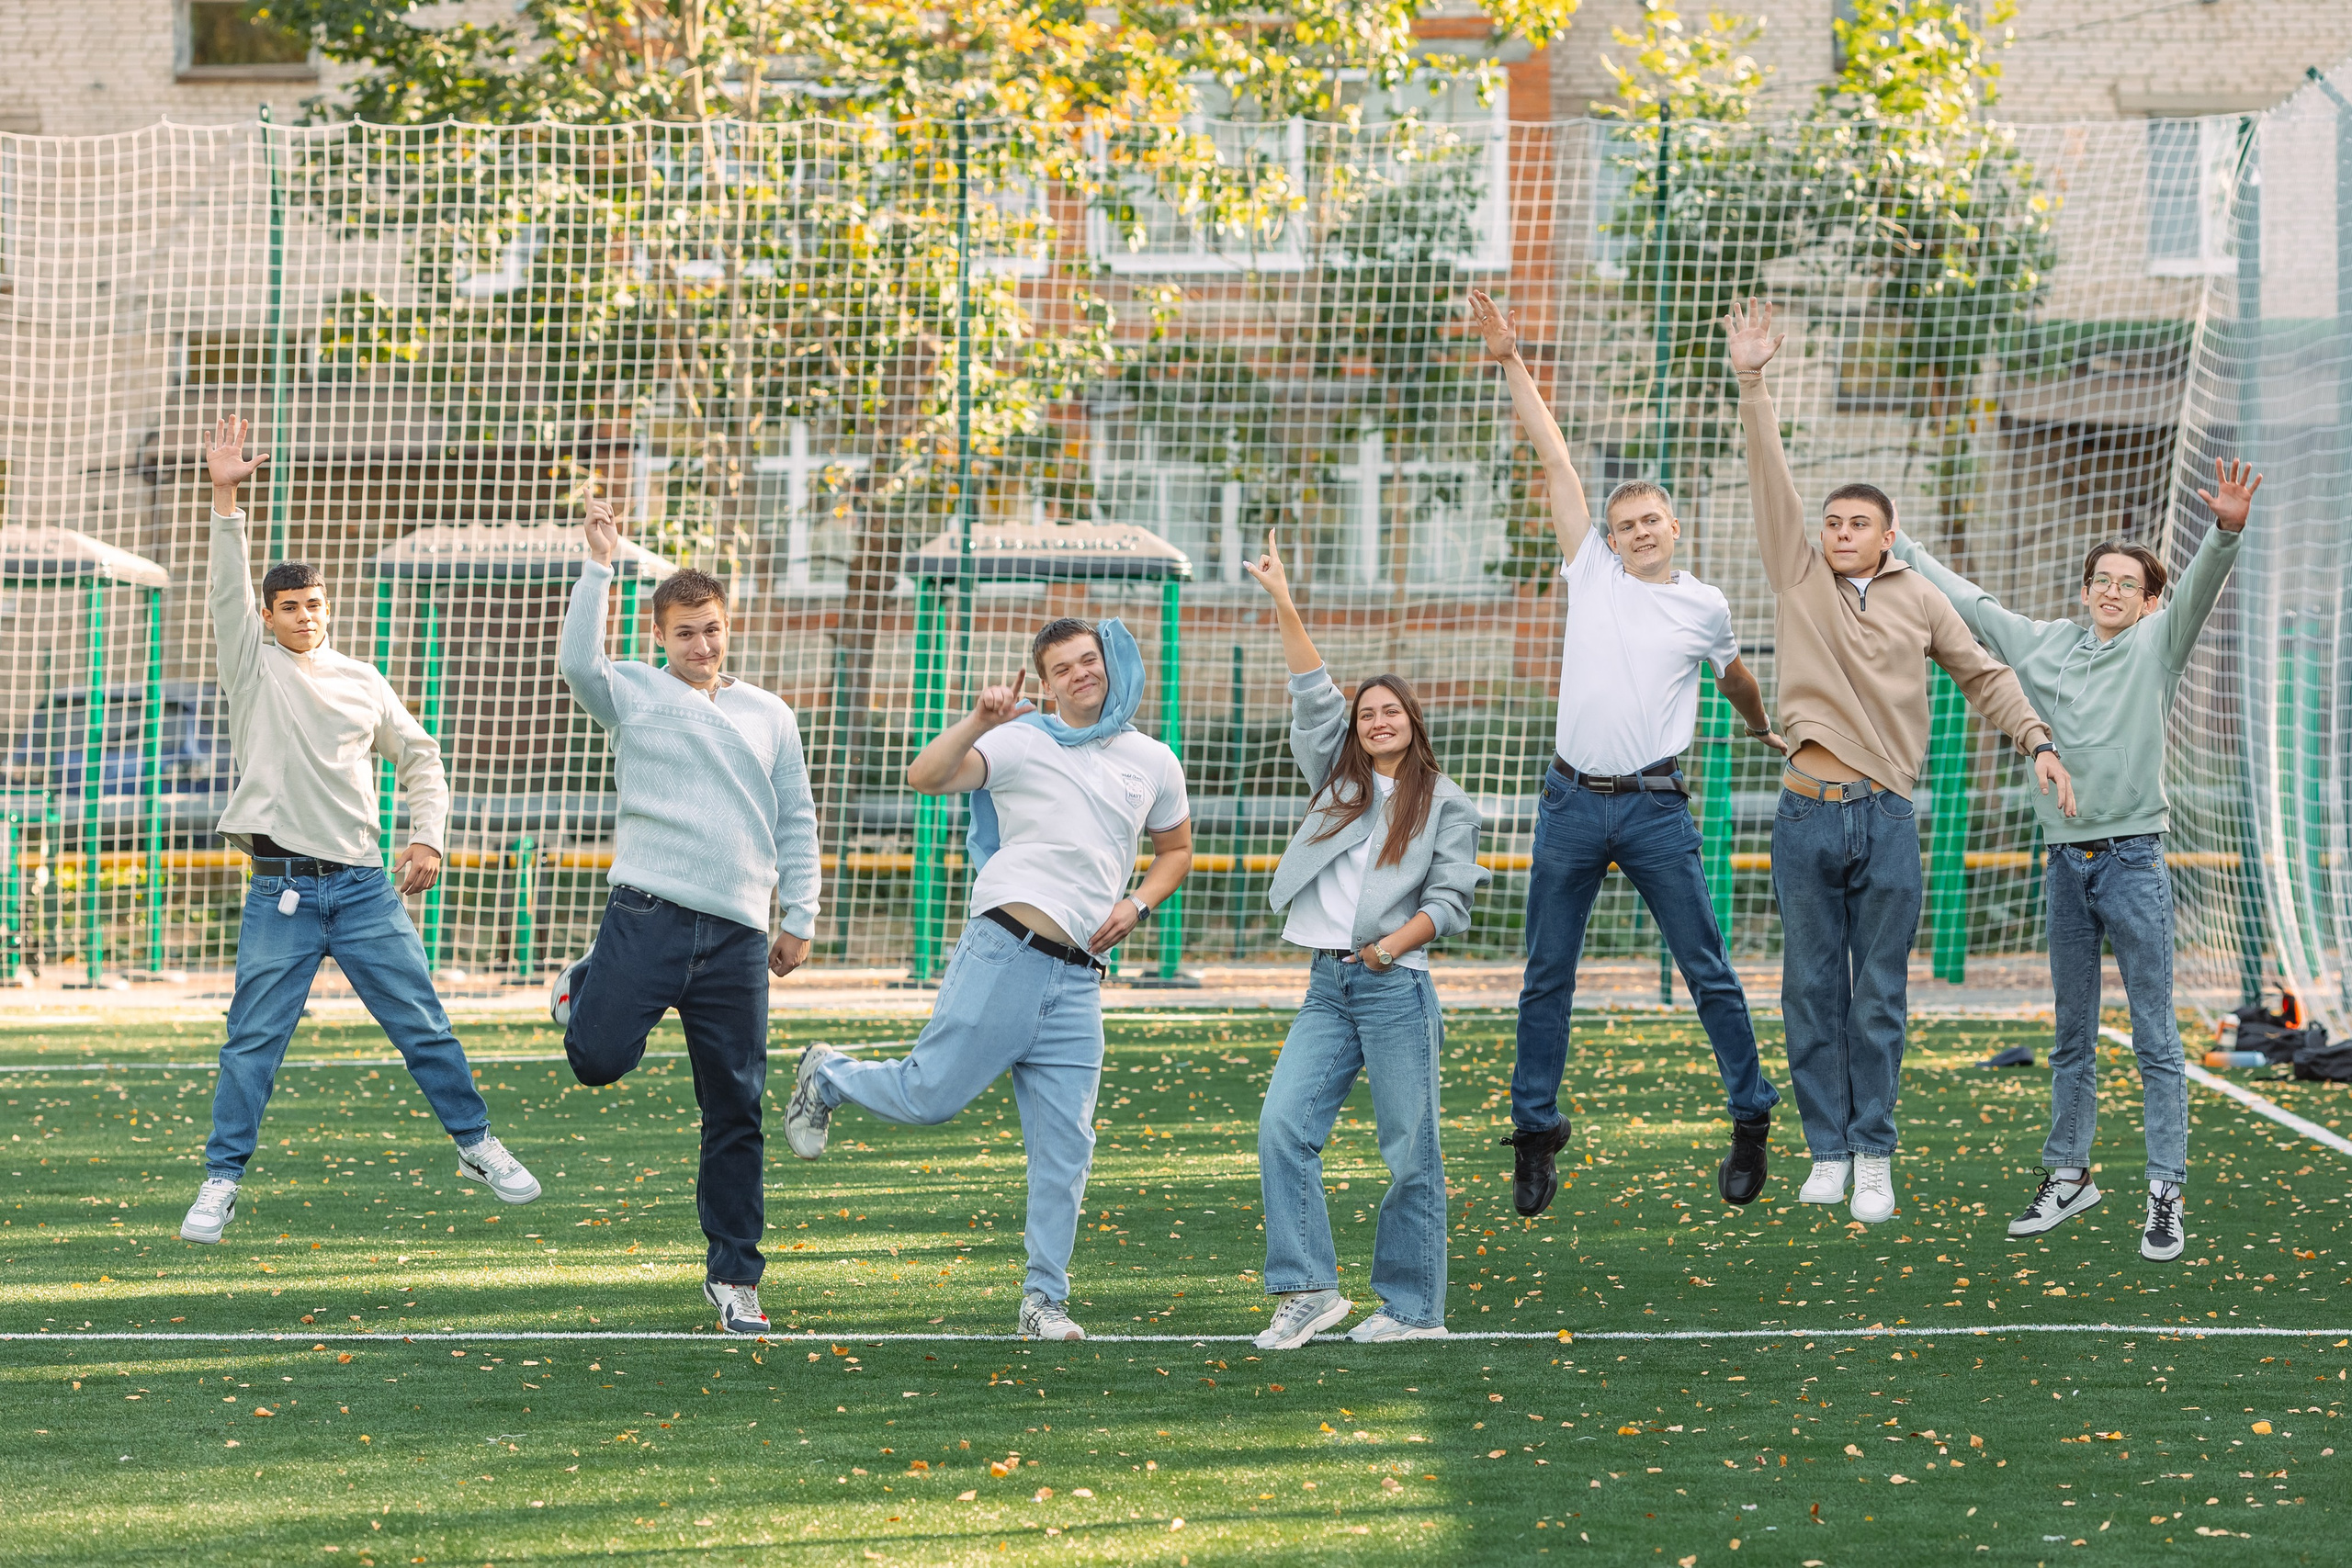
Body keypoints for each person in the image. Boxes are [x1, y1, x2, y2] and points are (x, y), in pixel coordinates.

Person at [1724, 298, 2075, 1224]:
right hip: (1804, 812)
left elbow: (1984, 672)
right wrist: (1753, 383)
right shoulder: (1796, 577)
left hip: (1884, 820)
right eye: (1829, 520)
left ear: (1886, 535)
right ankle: (1826, 1150)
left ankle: (1874, 1151)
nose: (1835, 531)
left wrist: (2036, 741)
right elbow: (1770, 480)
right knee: (1809, 990)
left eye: (1853, 524)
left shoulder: (1920, 598)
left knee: (1876, 997)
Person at [781, 616, 1193, 1342]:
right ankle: (831, 1075)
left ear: (1110, 663)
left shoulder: (1153, 759)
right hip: (1006, 951)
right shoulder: (1018, 739)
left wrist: (1139, 903)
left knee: (1067, 1150)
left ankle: (1044, 1302)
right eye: (1061, 668)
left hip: (1079, 983)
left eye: (1088, 660)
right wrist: (979, 717)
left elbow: (1177, 850)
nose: (1079, 675)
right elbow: (926, 776)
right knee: (927, 1097)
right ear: (1044, 683)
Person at [1891, 458, 2262, 1262]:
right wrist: (1901, 543)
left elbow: (2202, 584)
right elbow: (1975, 606)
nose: (2112, 590)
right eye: (2101, 579)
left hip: (2134, 862)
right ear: (2084, 588)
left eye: (2128, 582)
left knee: (2156, 1037)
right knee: (2071, 1034)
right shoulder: (2049, 646)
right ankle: (2069, 1174)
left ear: (2150, 599)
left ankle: (2165, 1193)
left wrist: (2225, 528)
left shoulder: (2159, 644)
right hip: (2066, 866)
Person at [180, 415, 539, 1246]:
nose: (305, 615)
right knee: (252, 1044)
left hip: (365, 887)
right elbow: (225, 583)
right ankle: (220, 1181)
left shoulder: (363, 680)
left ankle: (474, 1143)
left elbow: (422, 759)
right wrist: (225, 494)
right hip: (282, 894)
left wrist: (430, 838)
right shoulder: (251, 663)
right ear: (265, 617)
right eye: (289, 607)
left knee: (424, 1025)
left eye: (315, 603)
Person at [1468, 289, 1788, 1220]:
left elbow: (1732, 680)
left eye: (1651, 519)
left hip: (1653, 809)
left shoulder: (1705, 605)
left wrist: (1761, 725)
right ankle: (1535, 1132)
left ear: (1674, 526)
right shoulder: (1592, 574)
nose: (1638, 530)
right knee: (1544, 976)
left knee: (1707, 967)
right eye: (1624, 523)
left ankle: (1750, 1112)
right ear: (1605, 540)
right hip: (1570, 805)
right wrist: (1510, 357)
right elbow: (1554, 454)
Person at [549, 498, 821, 1335]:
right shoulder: (631, 691)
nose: (700, 645)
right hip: (648, 914)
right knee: (595, 1059)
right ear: (659, 635)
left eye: (712, 629)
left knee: (736, 1105)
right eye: (683, 633)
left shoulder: (770, 715)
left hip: (737, 934)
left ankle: (735, 1275)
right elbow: (574, 665)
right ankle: (586, 983)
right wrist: (600, 564)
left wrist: (799, 913)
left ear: (727, 627)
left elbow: (795, 817)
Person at [1241, 532, 1487, 1348]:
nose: (1377, 720)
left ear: (1413, 724)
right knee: (1282, 1127)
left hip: (1393, 985)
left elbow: (1452, 902)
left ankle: (1416, 1309)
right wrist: (1284, 600)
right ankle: (1308, 1288)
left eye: (1391, 711)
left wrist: (1386, 949)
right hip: (1326, 986)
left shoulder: (1445, 803)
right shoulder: (1337, 780)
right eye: (1366, 712)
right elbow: (1312, 691)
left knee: (1410, 1149)